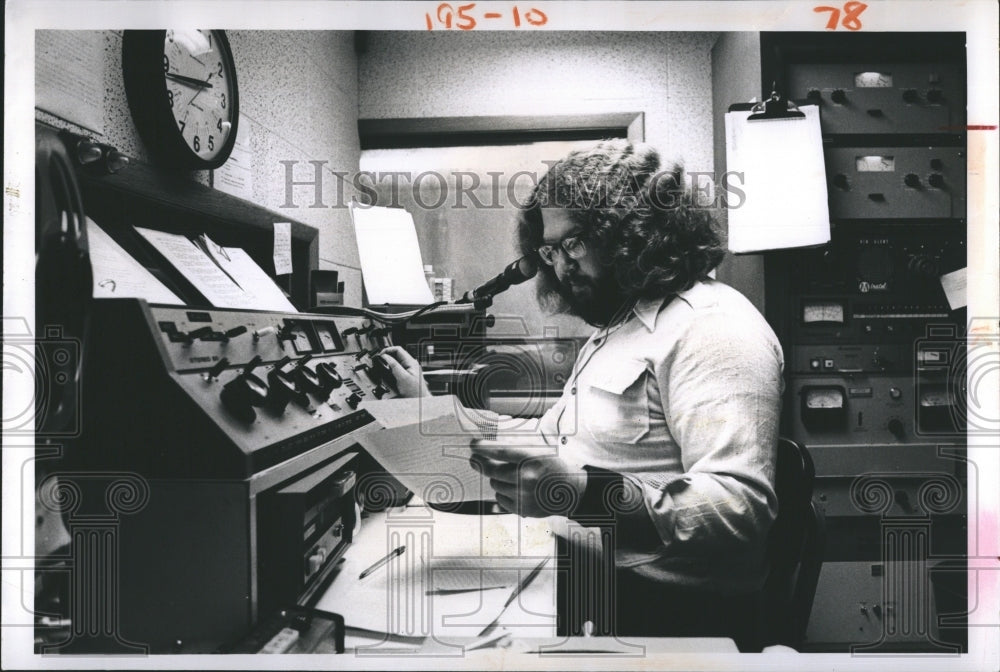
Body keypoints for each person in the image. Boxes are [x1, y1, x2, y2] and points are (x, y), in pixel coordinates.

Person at [379, 139, 784, 649]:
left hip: (666, 615)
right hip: (589, 578)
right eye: (550, 250)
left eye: (573, 244)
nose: (561, 267)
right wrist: (432, 412)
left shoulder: (713, 328)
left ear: (636, 230)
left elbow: (737, 510)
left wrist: (582, 493)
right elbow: (551, 438)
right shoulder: (618, 329)